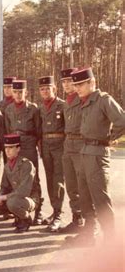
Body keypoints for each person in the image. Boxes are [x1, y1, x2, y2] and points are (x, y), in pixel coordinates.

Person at [68, 68, 125, 245]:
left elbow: (122, 121)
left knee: (100, 199)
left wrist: (110, 139)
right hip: (84, 151)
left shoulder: (103, 100)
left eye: (81, 84)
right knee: (84, 197)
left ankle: (110, 240)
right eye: (75, 84)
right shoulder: (84, 101)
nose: (77, 88)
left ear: (92, 83)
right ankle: (89, 234)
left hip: (97, 154)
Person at [0, 134, 40, 233]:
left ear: (18, 148)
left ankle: (26, 219)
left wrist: (3, 198)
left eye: (11, 148)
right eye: (6, 148)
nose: (7, 151)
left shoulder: (26, 164)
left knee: (12, 202)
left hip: (29, 199)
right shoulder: (7, 165)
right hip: (13, 198)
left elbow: (24, 191)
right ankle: (17, 216)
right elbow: (5, 187)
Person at [3, 80, 43, 225]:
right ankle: (18, 213)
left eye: (21, 92)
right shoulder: (8, 109)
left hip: (29, 144)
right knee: (16, 177)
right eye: (15, 92)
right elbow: (8, 130)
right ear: (12, 93)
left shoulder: (33, 109)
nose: (18, 95)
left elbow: (39, 130)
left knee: (34, 178)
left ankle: (38, 211)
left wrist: (37, 145)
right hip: (15, 144)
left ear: (26, 92)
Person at [38, 76, 66, 232]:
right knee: (49, 180)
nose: (45, 91)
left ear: (54, 89)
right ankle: (54, 211)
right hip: (46, 146)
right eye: (42, 89)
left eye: (47, 88)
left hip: (60, 146)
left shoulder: (62, 105)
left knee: (58, 180)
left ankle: (58, 214)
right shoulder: (41, 108)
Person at [59, 68, 86, 233]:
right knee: (71, 185)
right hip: (68, 144)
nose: (67, 84)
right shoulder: (65, 103)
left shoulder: (83, 99)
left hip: (81, 144)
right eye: (64, 82)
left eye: (70, 81)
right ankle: (77, 219)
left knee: (83, 185)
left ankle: (89, 223)